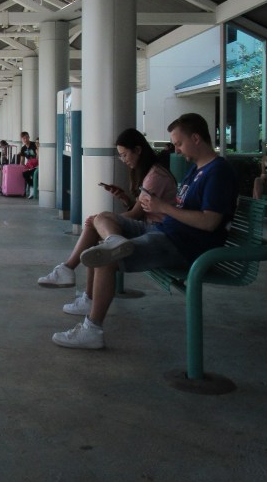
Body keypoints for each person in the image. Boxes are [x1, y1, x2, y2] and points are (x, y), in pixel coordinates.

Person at [51, 113, 238, 351]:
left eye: (179, 143)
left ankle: (92, 329)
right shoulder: (198, 170)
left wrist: (162, 207)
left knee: (105, 257)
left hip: (182, 244)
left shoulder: (218, 172)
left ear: (196, 138)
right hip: (167, 232)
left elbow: (210, 222)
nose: (177, 150)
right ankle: (112, 241)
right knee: (101, 219)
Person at [37, 129, 177, 303]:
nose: (124, 160)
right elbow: (140, 210)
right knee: (96, 234)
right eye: (121, 156)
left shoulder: (155, 176)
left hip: (157, 232)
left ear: (138, 150)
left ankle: (72, 275)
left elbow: (135, 215)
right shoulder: (149, 172)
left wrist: (105, 220)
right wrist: (124, 199)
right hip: (150, 227)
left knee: (98, 226)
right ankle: (82, 288)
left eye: (125, 155)